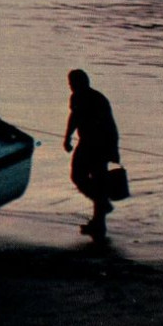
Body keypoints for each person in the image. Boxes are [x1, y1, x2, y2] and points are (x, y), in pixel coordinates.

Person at [62, 68, 120, 239]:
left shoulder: (97, 99)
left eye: (72, 83)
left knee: (94, 182)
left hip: (98, 146)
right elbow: (74, 118)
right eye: (70, 84)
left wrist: (114, 150)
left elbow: (110, 125)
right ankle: (100, 215)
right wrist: (67, 138)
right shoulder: (77, 97)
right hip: (86, 143)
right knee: (82, 178)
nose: (71, 86)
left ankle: (99, 219)